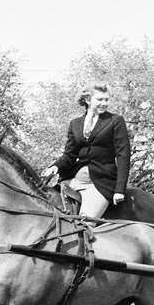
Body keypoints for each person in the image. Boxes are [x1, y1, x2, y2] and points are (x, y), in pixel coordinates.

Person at [42, 82, 130, 218]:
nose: (104, 103)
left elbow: (123, 156)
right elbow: (70, 155)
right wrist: (55, 167)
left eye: (106, 99)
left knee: (83, 225)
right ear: (88, 100)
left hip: (99, 184)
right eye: (100, 99)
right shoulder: (75, 124)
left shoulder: (115, 121)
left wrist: (120, 190)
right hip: (72, 181)